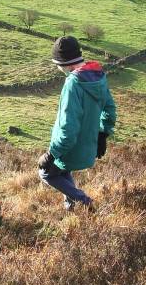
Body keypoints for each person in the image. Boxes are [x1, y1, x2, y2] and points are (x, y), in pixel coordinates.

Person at [38, 36, 117, 210]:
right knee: (62, 170)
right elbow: (110, 110)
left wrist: (51, 154)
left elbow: (68, 128)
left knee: (46, 173)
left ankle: (83, 201)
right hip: (88, 147)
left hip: (71, 149)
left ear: (64, 63)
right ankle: (70, 205)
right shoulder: (98, 76)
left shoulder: (73, 84)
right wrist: (102, 134)